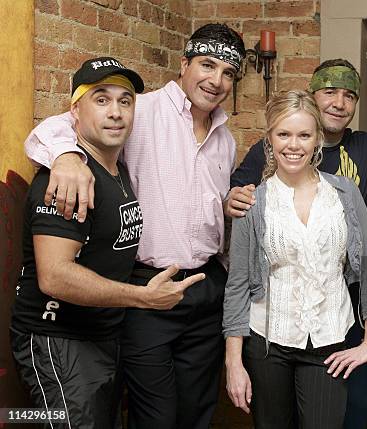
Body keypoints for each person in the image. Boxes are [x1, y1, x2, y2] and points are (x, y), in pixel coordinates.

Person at [23, 24, 245, 429]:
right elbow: (57, 127)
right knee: (154, 417)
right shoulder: (140, 109)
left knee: (198, 413)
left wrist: (227, 205)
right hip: (148, 289)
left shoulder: (225, 138)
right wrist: (66, 157)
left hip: (207, 288)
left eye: (228, 72)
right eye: (207, 65)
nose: (216, 80)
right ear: (184, 65)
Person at [223, 90, 367, 429]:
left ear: (317, 140)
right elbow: (237, 284)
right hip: (267, 343)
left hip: (329, 341)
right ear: (269, 139)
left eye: (303, 135)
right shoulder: (252, 203)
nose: (293, 145)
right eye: (283, 134)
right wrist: (233, 364)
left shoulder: (344, 193)